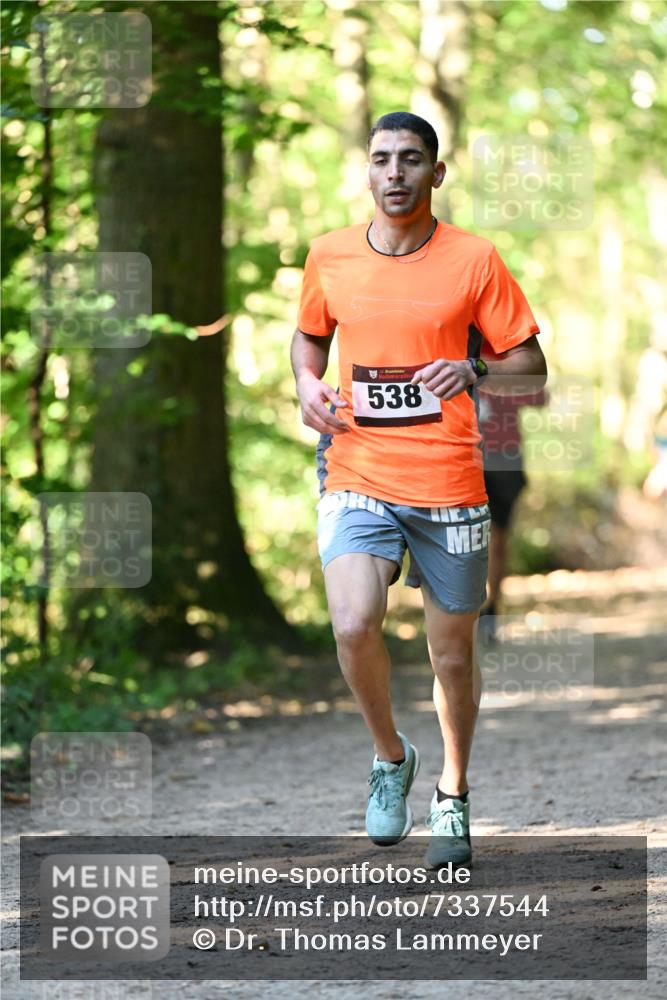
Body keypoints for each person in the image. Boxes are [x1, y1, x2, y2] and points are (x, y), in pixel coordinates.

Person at [291, 111, 547, 867]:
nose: (394, 172)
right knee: (351, 623)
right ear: (365, 172)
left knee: (453, 657)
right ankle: (388, 758)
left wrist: (473, 370)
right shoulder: (329, 256)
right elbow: (310, 335)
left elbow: (529, 366)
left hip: (448, 479)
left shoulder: (474, 260)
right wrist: (306, 383)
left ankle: (452, 794)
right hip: (356, 468)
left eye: (410, 160)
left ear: (436, 174)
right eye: (380, 159)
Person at [477, 362, 547, 642]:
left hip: (504, 461)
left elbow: (540, 396)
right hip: (459, 458)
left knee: (498, 541)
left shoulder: (505, 359)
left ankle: (490, 610)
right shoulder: (444, 350)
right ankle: (460, 612)